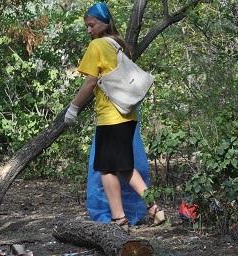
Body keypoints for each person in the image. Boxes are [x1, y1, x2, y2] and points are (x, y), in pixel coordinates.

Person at [63, 2, 165, 230]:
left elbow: (90, 82)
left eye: (92, 25)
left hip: (111, 117)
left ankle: (119, 220)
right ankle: (155, 210)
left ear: (104, 23)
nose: (89, 30)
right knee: (125, 168)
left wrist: (73, 108)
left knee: (106, 169)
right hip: (128, 116)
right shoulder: (118, 44)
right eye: (87, 27)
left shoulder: (98, 45)